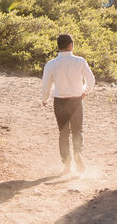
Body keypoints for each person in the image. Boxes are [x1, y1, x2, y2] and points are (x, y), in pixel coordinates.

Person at [41, 33, 96, 174]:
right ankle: (78, 153)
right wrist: (85, 91)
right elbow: (91, 80)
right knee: (78, 130)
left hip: (60, 101)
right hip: (76, 100)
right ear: (71, 45)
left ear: (58, 47)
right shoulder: (80, 61)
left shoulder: (51, 64)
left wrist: (45, 99)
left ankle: (66, 163)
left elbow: (46, 84)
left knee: (63, 133)